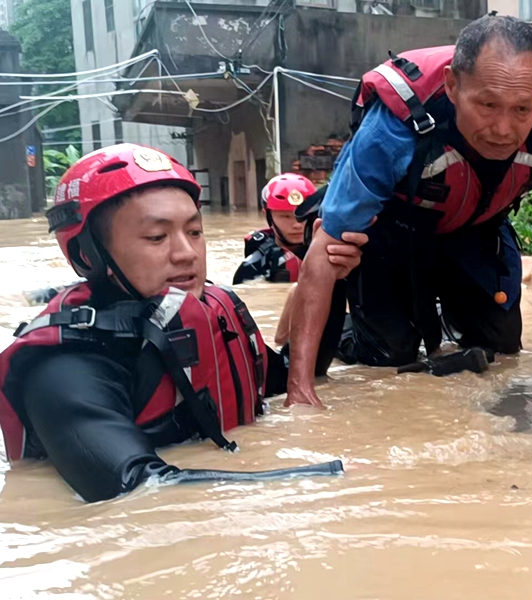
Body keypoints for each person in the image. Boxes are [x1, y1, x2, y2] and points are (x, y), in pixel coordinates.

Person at [286, 15, 532, 408]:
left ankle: (441, 315)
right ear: (451, 85)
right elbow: (327, 249)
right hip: (391, 233)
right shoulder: (392, 129)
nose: (503, 128)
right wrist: (300, 389)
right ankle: (345, 324)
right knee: (390, 356)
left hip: (475, 229)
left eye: (521, 110)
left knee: (499, 348)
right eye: (487, 104)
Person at [0, 144, 367, 503]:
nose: (187, 253)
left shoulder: (217, 311)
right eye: (157, 237)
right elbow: (135, 487)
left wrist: (328, 279)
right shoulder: (65, 365)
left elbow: (292, 376)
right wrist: (331, 476)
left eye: (194, 232)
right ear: (86, 255)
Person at [232, 173, 323, 285]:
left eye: (303, 216)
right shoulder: (253, 267)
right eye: (286, 216)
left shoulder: (334, 252)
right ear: (267, 216)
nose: (297, 225)